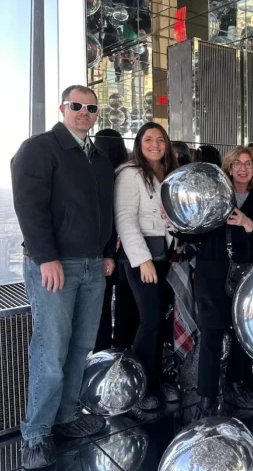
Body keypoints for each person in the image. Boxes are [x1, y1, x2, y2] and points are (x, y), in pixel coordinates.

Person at [11, 85, 115, 469]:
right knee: (50, 352)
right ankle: (36, 434)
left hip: (92, 266)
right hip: (56, 265)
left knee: (79, 348)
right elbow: (29, 206)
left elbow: (105, 211)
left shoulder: (99, 159)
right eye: (77, 106)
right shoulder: (40, 148)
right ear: (62, 108)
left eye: (90, 107)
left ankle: (66, 417)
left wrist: (106, 253)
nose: (84, 112)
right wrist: (46, 258)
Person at [180, 146, 253, 416]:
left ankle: (235, 384)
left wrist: (248, 223)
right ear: (229, 168)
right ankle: (207, 397)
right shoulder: (214, 195)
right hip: (212, 270)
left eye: (248, 164)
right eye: (238, 164)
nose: (243, 168)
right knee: (211, 333)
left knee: (242, 333)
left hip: (249, 272)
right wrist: (176, 225)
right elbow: (194, 231)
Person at [114, 122, 180, 410]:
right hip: (142, 257)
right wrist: (142, 260)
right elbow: (125, 219)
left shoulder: (168, 175)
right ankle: (140, 387)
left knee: (160, 320)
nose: (155, 144)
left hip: (165, 256)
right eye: (149, 139)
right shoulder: (130, 174)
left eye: (160, 140)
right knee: (150, 319)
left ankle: (154, 378)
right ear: (139, 143)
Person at [92, 129, 137, 352]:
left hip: (104, 247)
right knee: (126, 302)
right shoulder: (128, 171)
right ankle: (122, 348)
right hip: (129, 250)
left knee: (100, 302)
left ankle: (101, 351)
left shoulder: (96, 171)